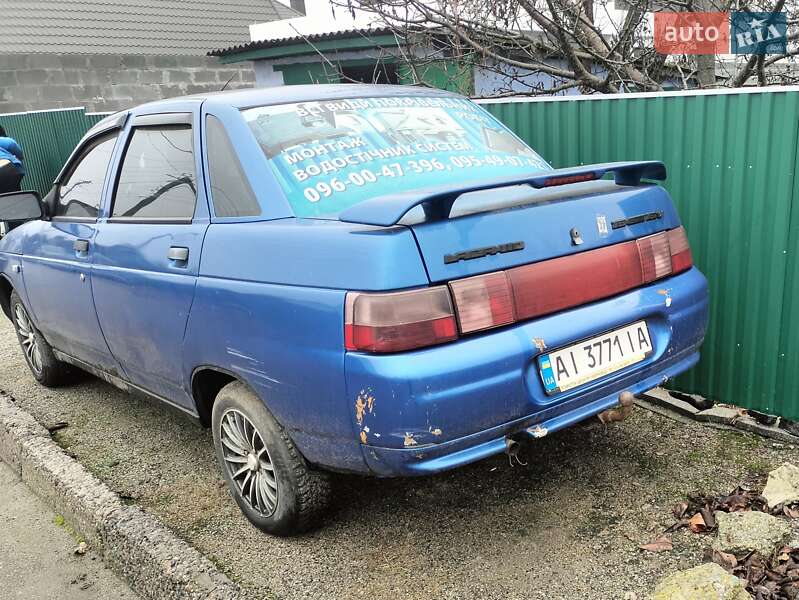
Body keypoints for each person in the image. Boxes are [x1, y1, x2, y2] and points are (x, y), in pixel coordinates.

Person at [0, 125, 25, 194]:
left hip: (5, 167)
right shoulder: (3, 140)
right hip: (10, 168)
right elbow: (18, 153)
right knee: (15, 195)